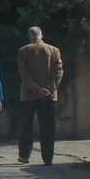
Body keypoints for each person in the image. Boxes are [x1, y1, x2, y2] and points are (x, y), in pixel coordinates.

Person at [17, 26, 64, 165]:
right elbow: (58, 71)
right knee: (48, 127)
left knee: (27, 125)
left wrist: (37, 89)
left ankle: (24, 155)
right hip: (49, 96)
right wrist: (48, 88)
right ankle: (48, 158)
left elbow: (24, 73)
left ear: (30, 36)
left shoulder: (24, 51)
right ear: (41, 36)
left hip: (29, 94)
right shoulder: (54, 50)